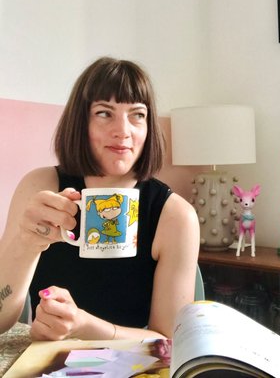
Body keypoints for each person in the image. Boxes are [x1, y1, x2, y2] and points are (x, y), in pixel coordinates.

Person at [0, 57, 200, 341]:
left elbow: (169, 342)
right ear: (81, 121)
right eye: (105, 113)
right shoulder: (40, 188)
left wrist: (84, 325)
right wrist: (26, 242)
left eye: (137, 114)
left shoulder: (175, 216)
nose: (123, 130)